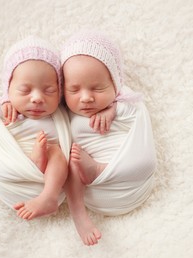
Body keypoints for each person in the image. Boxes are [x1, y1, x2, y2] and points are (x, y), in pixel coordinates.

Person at [61, 31, 157, 246]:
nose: (86, 97)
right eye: (74, 90)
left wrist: (114, 109)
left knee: (146, 161)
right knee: (64, 161)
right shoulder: (64, 111)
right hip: (91, 193)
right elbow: (36, 112)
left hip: (132, 183)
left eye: (98, 88)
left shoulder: (124, 101)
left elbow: (137, 114)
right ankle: (78, 214)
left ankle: (98, 169)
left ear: (115, 84)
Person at [0, 36, 71, 221]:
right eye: (24, 90)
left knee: (55, 152)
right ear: (8, 88)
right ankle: (33, 162)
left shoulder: (62, 114)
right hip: (11, 172)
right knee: (51, 149)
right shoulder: (7, 109)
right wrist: (3, 104)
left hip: (52, 179)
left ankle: (48, 195)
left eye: (49, 91)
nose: (37, 98)